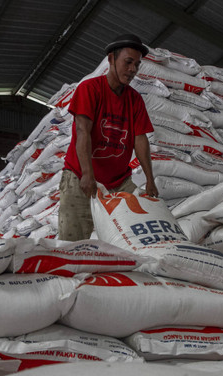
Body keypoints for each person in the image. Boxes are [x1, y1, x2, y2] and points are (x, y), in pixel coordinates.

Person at [58, 33, 158, 242]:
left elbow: (140, 139)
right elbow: (83, 131)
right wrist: (87, 173)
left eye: (137, 65)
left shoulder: (135, 100)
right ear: (111, 59)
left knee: (138, 232)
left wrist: (150, 179)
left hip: (119, 182)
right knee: (72, 243)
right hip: (80, 176)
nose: (132, 70)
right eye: (128, 62)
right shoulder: (90, 89)